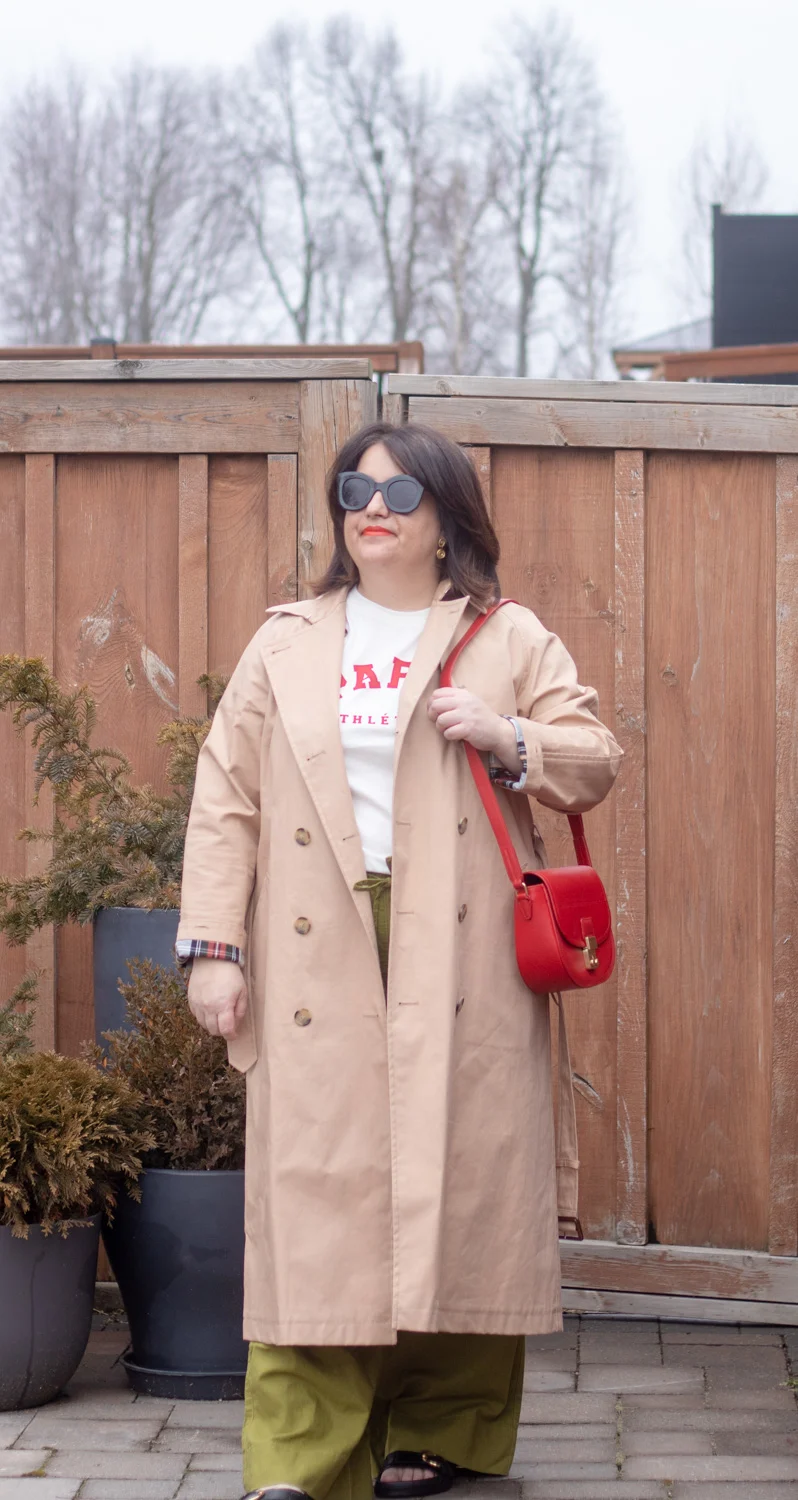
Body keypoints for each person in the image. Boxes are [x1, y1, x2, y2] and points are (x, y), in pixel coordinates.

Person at [176, 421, 623, 1500]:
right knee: (314, 1197)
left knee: (463, 1183)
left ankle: (448, 1427)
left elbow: (594, 759)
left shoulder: (505, 634)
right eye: (353, 489)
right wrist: (214, 948)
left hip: (464, 941)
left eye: (400, 489)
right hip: (318, 941)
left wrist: (506, 732)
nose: (372, 507)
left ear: (446, 516)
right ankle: (298, 1455)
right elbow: (224, 798)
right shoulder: (285, 638)